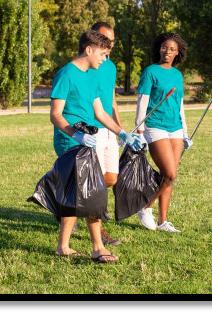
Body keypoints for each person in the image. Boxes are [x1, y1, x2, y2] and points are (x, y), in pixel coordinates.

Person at [50, 30, 143, 263]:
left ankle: (63, 246)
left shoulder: (91, 75)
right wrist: (76, 136)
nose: (105, 58)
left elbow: (100, 112)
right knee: (93, 190)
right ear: (88, 50)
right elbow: (55, 115)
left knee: (77, 192)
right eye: (102, 53)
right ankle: (98, 247)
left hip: (88, 138)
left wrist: (122, 132)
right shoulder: (66, 74)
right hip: (71, 141)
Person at [135, 33, 192, 233]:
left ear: (178, 53)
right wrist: (140, 132)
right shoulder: (150, 72)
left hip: (174, 127)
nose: (167, 51)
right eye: (164, 47)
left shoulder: (177, 75)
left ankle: (162, 221)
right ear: (159, 49)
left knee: (169, 176)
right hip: (154, 126)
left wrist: (185, 132)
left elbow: (180, 105)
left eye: (171, 49)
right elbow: (142, 102)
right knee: (170, 172)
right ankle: (146, 207)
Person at [85, 21, 123, 247]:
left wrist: (119, 127)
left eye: (111, 41)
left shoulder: (110, 66)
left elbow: (112, 98)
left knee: (111, 178)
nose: (108, 45)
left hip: (109, 128)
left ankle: (68, 202)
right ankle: (99, 231)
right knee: (95, 184)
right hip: (91, 128)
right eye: (104, 39)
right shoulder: (86, 64)